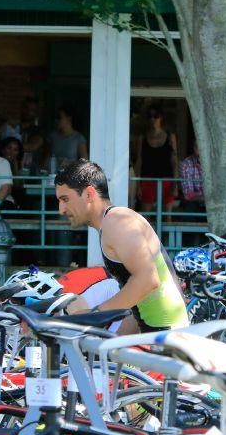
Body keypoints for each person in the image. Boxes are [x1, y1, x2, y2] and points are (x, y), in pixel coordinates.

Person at [54, 159, 188, 334]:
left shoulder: (117, 223)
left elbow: (148, 280)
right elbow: (139, 300)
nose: (61, 209)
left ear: (89, 194)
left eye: (65, 199)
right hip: (157, 333)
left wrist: (95, 315)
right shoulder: (111, 223)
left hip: (167, 338)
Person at [135, 105, 178, 212]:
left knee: (167, 217)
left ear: (161, 117)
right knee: (146, 217)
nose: (153, 119)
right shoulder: (143, 138)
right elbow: (139, 161)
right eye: (150, 116)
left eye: (156, 116)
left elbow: (174, 161)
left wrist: (175, 183)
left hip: (166, 179)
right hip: (147, 178)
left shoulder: (170, 136)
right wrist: (138, 185)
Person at [47, 104, 88, 170]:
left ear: (69, 118)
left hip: (71, 176)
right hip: (53, 175)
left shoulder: (79, 138)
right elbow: (46, 160)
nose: (56, 120)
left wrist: (70, 164)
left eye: (59, 117)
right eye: (55, 117)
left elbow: (85, 163)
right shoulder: (52, 137)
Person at [178, 139, 205, 212]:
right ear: (194, 147)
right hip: (195, 203)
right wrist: (205, 195)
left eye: (202, 145)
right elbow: (188, 195)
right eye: (197, 146)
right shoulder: (186, 163)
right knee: (189, 208)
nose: (199, 148)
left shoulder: (216, 162)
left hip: (214, 203)